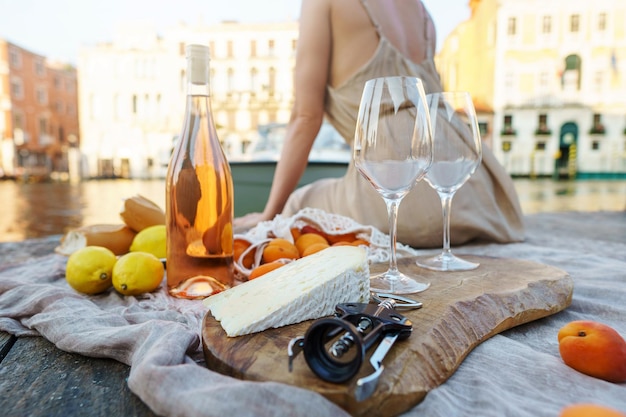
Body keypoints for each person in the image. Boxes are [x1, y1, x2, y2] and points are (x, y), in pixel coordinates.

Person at [234, 0, 525, 248]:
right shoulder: (420, 10)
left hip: (408, 188)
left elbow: (305, 117)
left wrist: (269, 213)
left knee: (299, 205)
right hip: (480, 191)